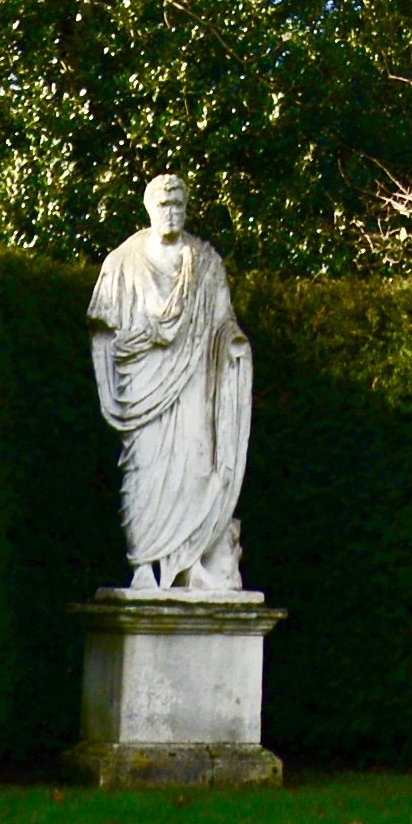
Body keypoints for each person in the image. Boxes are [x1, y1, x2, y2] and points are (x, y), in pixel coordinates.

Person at [87, 174, 254, 596]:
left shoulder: (206, 262)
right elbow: (103, 330)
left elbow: (223, 322)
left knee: (196, 468)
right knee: (143, 471)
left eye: (178, 204)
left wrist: (233, 343)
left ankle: (189, 562)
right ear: (149, 208)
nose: (171, 212)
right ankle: (144, 564)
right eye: (163, 204)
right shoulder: (122, 262)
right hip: (143, 385)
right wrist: (125, 360)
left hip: (193, 383)